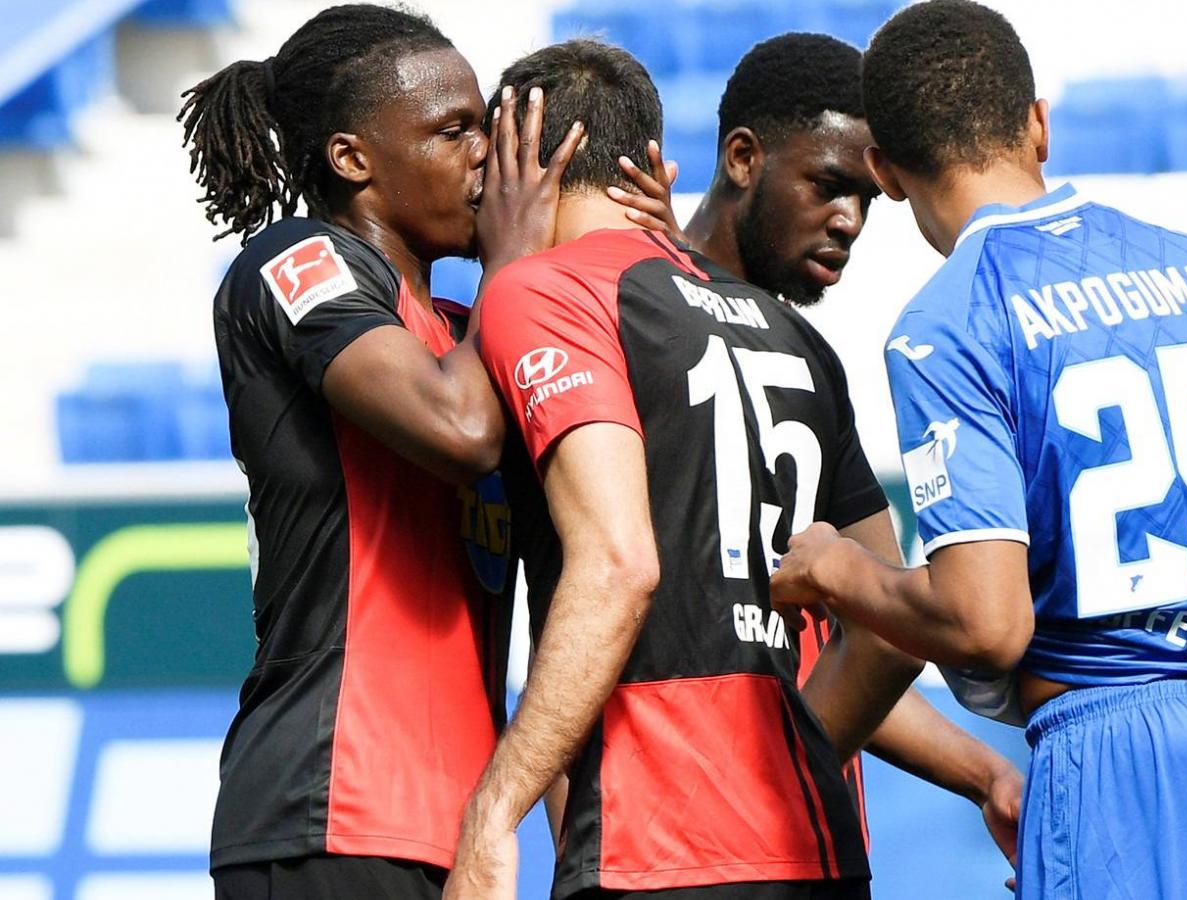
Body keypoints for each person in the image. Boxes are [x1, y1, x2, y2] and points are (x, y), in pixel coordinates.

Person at [769, 3, 1187, 899]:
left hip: (1122, 764)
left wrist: (836, 570)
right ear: (1037, 124)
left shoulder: (948, 323)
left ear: (885, 173)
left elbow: (985, 623)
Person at [449, 39, 922, 899]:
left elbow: (620, 565)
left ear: (522, 163)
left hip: (657, 842)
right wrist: (791, 758)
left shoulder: (549, 291)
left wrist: (492, 810)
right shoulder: (798, 337)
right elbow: (890, 628)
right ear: (652, 161)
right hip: (814, 846)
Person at [179, 5, 582, 897]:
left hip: (462, 831)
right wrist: (516, 260)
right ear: (353, 159)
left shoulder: (473, 338)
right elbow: (461, 433)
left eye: (488, 125)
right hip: (331, 808)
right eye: (455, 130)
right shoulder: (297, 262)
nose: (489, 155)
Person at [610, 30, 1024, 860]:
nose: (852, 221)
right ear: (741, 157)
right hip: (668, 844)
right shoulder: (615, 313)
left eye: (868, 198)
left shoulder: (807, 358)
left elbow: (880, 634)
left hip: (756, 847)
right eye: (830, 186)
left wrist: (988, 775)